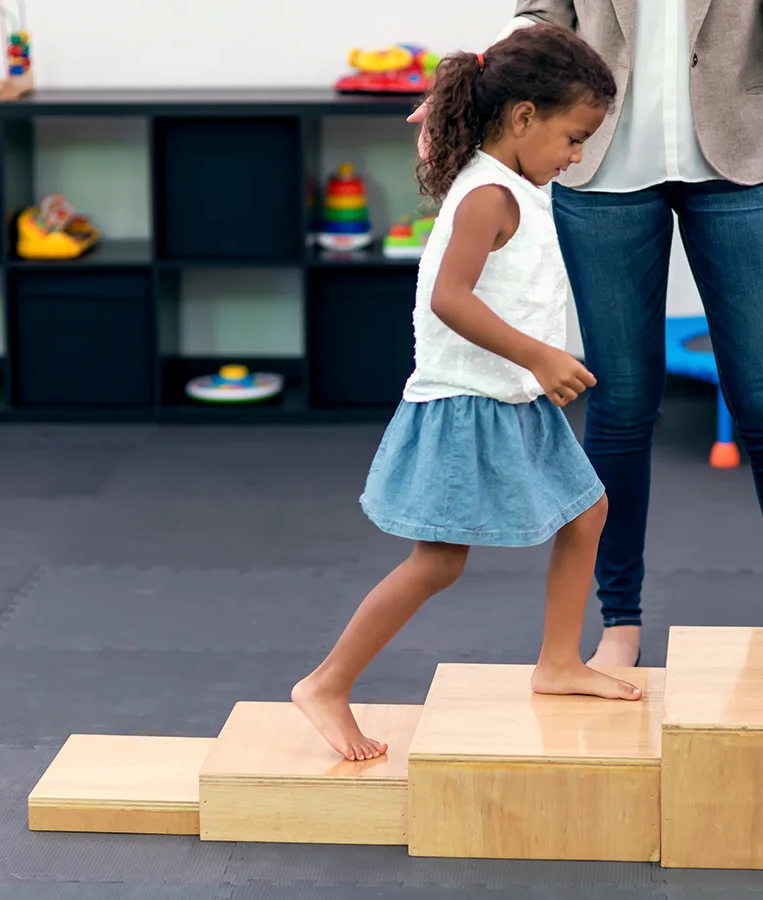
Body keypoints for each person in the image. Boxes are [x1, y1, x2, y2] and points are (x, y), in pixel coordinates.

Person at [411, 1, 763, 668]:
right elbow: (539, 16)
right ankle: (621, 622)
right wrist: (474, 82)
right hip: (602, 167)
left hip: (741, 157)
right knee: (621, 402)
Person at [292, 24, 643, 763]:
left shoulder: (504, 175)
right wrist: (540, 356)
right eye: (574, 138)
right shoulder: (488, 192)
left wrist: (537, 367)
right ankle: (326, 683)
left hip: (509, 395)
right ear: (521, 118)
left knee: (588, 511)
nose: (577, 156)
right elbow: (451, 299)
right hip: (466, 401)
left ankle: (557, 663)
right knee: (438, 562)